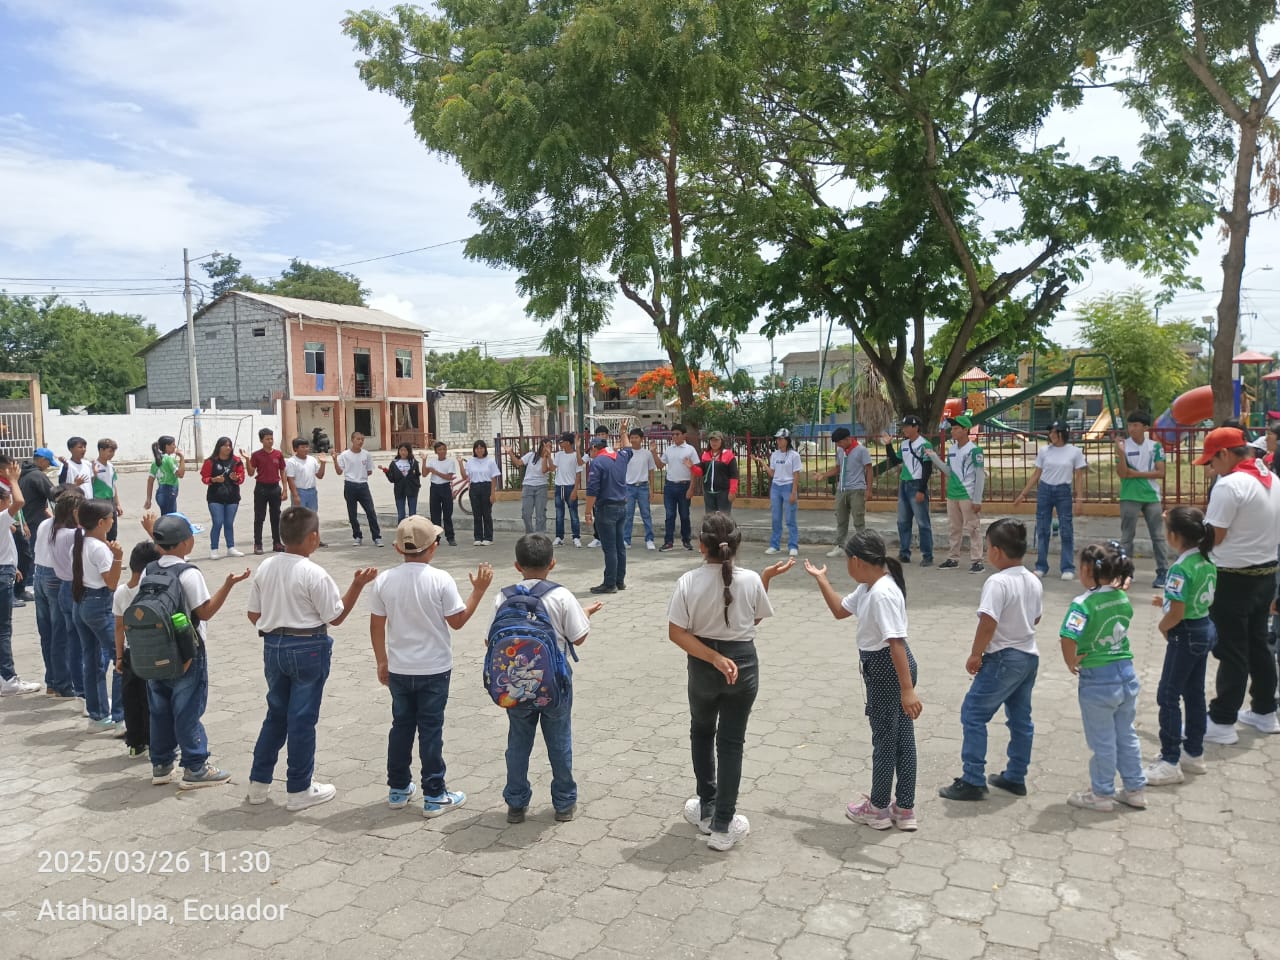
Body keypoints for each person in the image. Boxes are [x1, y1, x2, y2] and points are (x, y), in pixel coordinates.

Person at [669, 514, 792, 851]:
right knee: (732, 742)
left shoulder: (688, 581)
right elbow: (753, 619)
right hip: (743, 665)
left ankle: (707, 807)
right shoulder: (750, 579)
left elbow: (676, 632)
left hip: (703, 666)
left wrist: (712, 657)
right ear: (737, 544)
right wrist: (765, 579)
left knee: (701, 731)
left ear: (701, 546)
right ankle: (723, 824)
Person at [246, 507, 376, 810]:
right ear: (313, 537)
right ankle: (299, 788)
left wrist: (276, 619)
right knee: (302, 719)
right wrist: (357, 585)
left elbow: (253, 614)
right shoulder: (314, 573)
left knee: (276, 715)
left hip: (273, 645)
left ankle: (258, 784)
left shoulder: (266, 566)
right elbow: (335, 616)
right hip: (307, 646)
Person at [369, 516, 493, 817]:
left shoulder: (384, 580)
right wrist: (478, 592)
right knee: (430, 730)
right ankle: (435, 793)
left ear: (398, 548)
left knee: (401, 727)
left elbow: (376, 624)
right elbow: (457, 621)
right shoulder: (440, 579)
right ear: (434, 547)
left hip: (400, 668)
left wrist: (381, 660)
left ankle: (398, 788)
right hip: (434, 669)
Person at [805, 530, 923, 831]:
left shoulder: (882, 593)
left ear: (856, 561)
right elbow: (839, 610)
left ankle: (878, 808)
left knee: (886, 740)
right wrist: (821, 579)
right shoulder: (870, 586)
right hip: (892, 667)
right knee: (902, 738)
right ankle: (904, 808)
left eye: (847, 560)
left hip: (888, 669)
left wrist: (907, 690)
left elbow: (896, 642)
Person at [496, 532, 602, 824]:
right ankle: (564, 804)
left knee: (518, 743)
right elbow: (578, 638)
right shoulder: (561, 595)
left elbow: (490, 641)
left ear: (517, 565)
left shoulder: (504, 596)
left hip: (515, 687)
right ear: (552, 563)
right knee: (559, 741)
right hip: (554, 683)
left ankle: (516, 803)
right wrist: (584, 614)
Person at [937, 518, 1042, 801]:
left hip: (1003, 658)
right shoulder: (1033, 579)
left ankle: (973, 778)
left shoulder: (997, 582)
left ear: (996, 550)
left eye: (987, 547)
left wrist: (976, 653)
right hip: (1028, 656)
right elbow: (1036, 617)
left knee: (973, 713)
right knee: (1020, 719)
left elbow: (987, 622)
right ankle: (1016, 776)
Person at [146, 513, 249, 789]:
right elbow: (204, 612)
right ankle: (195, 767)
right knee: (187, 708)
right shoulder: (189, 573)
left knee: (159, 708)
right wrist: (227, 586)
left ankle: (161, 764)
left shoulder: (150, 569)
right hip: (186, 651)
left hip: (153, 649)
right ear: (185, 543)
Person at [1196, 426, 1280, 742]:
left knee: (1232, 649)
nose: (1211, 468)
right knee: (1259, 644)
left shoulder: (1230, 485)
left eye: (1211, 461)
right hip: (1265, 574)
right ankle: (1264, 711)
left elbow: (1214, 537)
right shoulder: (1272, 480)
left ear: (1225, 453)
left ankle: (1222, 721)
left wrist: (1187, 534)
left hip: (1232, 578)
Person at [1057, 541, 1146, 812]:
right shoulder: (1122, 597)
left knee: (1102, 740)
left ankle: (1101, 793)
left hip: (1098, 681)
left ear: (1087, 570)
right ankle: (1135, 789)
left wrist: (1071, 661)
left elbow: (1068, 636)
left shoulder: (1083, 604)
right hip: (1126, 674)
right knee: (1126, 734)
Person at [1144, 506, 1217, 785]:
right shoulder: (1206, 561)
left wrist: (1164, 626)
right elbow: (1193, 599)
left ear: (1174, 536)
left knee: (1168, 695)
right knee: (1194, 693)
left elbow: (1176, 613)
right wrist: (1166, 602)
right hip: (1204, 628)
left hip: (1185, 633)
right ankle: (1193, 753)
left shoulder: (1179, 569)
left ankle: (1170, 760)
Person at [70, 499, 125, 731]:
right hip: (99, 603)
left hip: (81, 602)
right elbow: (111, 583)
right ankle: (121, 717)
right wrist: (118, 557)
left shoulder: (80, 543)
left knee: (91, 660)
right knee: (121, 658)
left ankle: (97, 715)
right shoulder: (99, 549)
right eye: (111, 518)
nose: (113, 522)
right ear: (102, 522)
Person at [1013, 421, 1087, 580]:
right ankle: (1041, 566)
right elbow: (1036, 474)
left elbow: (1079, 476)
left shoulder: (1074, 452)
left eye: (1055, 432)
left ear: (1063, 433)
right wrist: (1023, 494)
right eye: (1050, 432)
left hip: (1063, 491)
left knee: (1066, 530)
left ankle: (1067, 567)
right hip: (1045, 490)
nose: (1051, 435)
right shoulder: (1044, 451)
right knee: (1042, 529)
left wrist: (1079, 499)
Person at [114, 539, 162, 758]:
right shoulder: (152, 591)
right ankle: (155, 741)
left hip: (130, 652)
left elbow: (119, 627)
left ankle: (135, 743)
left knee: (131, 699)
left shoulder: (121, 592)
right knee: (150, 699)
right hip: (151, 652)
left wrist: (119, 657)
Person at [32, 486, 82, 698]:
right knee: (61, 633)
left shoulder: (47, 524)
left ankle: (52, 680)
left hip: (39, 576)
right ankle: (63, 683)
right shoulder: (70, 533)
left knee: (47, 633)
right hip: (55, 578)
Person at [1116, 412, 1170, 588]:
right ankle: (1125, 573)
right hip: (1129, 495)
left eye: (1136, 425)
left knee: (1158, 536)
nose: (1132, 429)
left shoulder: (1155, 447)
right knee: (1127, 537)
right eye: (1129, 425)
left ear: (1145, 427)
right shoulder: (1123, 445)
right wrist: (1121, 454)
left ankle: (1163, 572)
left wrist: (1136, 474)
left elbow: (1161, 472)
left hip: (1151, 496)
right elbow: (1123, 473)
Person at [0, 466, 41, 696]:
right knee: (3, 630)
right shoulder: (1, 517)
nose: (9, 503)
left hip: (5, 568)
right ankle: (9, 679)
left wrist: (12, 565)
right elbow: (20, 502)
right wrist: (14, 480)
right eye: (5, 499)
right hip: (2, 573)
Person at [927, 415, 986, 573]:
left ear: (965, 430)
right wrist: (934, 458)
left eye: (956, 428)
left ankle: (977, 560)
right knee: (954, 528)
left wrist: (977, 499)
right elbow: (949, 471)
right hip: (952, 494)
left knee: (973, 528)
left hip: (967, 494)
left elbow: (980, 475)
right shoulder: (952, 449)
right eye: (952, 428)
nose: (952, 431)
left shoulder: (975, 450)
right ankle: (953, 558)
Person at [585, 435, 634, 594]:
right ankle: (620, 581)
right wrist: (623, 432)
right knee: (620, 546)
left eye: (590, 450)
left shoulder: (597, 462)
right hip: (622, 506)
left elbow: (592, 490)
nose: (590, 454)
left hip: (606, 508)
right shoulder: (620, 457)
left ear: (594, 448)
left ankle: (610, 583)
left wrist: (587, 511)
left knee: (610, 548)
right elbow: (629, 448)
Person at [882, 415, 934, 567]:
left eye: (906, 426)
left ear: (916, 427)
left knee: (922, 522)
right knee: (903, 521)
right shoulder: (904, 444)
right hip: (904, 484)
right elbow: (896, 460)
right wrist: (888, 445)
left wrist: (921, 489)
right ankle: (904, 553)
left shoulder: (925, 444)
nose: (904, 429)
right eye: (903, 427)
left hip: (917, 483)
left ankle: (927, 555)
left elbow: (927, 468)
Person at [51, 488, 86, 700]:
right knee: (84, 642)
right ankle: (84, 687)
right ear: (74, 512)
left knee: (73, 641)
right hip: (76, 588)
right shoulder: (74, 535)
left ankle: (78, 687)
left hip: (64, 587)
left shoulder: (56, 530)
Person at [823, 427, 872, 558]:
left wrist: (869, 489)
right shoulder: (840, 450)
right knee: (841, 519)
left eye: (840, 442)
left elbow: (869, 469)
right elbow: (838, 468)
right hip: (842, 489)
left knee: (858, 519)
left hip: (857, 489)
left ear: (847, 439)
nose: (838, 445)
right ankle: (840, 545)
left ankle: (863, 547)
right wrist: (823, 475)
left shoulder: (861, 450)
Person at [241, 428, 288, 555]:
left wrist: (285, 489)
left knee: (276, 516)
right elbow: (251, 473)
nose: (270, 441)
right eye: (267, 439)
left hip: (275, 488)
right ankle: (258, 544)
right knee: (259, 517)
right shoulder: (256, 455)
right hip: (261, 488)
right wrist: (247, 460)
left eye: (271, 438)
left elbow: (282, 471)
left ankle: (277, 543)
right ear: (261, 440)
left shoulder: (278, 454)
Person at [334, 431, 383, 547]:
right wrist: (335, 460)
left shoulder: (366, 454)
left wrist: (361, 475)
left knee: (370, 511)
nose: (360, 441)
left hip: (363, 486)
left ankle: (376, 537)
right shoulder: (345, 455)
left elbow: (369, 471)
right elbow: (339, 471)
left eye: (362, 439)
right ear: (352, 440)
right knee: (352, 513)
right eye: (358, 439)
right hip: (350, 485)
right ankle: (357, 536)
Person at [201, 437, 246, 560]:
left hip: (232, 496)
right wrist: (213, 479)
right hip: (215, 497)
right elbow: (204, 478)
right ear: (219, 447)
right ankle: (214, 549)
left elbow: (242, 477)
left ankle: (231, 548)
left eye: (229, 445)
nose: (228, 448)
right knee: (217, 522)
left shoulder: (237, 461)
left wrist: (236, 478)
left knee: (229, 523)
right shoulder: (210, 461)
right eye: (225, 445)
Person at [659, 423, 700, 551]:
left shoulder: (690, 449)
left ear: (684, 435)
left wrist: (691, 488)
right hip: (670, 486)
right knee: (670, 515)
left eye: (677, 434)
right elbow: (660, 465)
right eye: (673, 434)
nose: (674, 437)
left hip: (684, 486)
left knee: (684, 515)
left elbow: (694, 470)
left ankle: (686, 540)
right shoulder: (669, 449)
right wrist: (654, 453)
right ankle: (668, 542)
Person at [764, 428, 803, 557]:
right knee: (776, 518)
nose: (778, 441)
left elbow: (796, 475)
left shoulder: (794, 455)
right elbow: (772, 473)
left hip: (788, 486)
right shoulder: (774, 455)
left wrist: (793, 492)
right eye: (777, 439)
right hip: (776, 487)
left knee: (790, 518)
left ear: (787, 440)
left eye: (781, 439)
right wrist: (763, 463)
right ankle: (774, 545)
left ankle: (793, 545)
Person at [623, 429, 656, 549]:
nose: (633, 440)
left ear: (641, 439)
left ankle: (649, 539)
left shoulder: (647, 454)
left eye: (636, 437)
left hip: (643, 487)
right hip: (629, 487)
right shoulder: (626, 453)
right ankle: (626, 539)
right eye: (631, 437)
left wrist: (651, 489)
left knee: (646, 514)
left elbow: (651, 471)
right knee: (628, 514)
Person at [510, 440, 552, 534]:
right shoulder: (531, 455)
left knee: (540, 513)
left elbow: (544, 470)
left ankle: (540, 535)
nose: (548, 448)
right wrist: (510, 453)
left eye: (550, 446)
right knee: (526, 513)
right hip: (528, 486)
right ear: (541, 446)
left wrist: (546, 457)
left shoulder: (549, 459)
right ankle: (530, 533)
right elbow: (518, 463)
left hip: (541, 487)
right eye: (546, 446)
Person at [464, 440, 501, 545]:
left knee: (486, 513)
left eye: (481, 448)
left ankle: (488, 537)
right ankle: (478, 537)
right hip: (474, 487)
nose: (479, 450)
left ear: (485, 449)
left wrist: (492, 493)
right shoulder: (470, 461)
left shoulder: (490, 461)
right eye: (477, 448)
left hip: (486, 487)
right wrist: (460, 464)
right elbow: (465, 475)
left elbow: (494, 477)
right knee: (476, 514)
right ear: (474, 450)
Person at [551, 433, 584, 548]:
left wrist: (575, 489)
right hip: (559, 486)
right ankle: (559, 537)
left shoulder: (575, 456)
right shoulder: (558, 454)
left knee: (573, 513)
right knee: (559, 514)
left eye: (562, 441)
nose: (560, 443)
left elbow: (578, 473)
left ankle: (576, 537)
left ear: (568, 443)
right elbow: (552, 468)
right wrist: (547, 456)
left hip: (570, 487)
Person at [423, 441, 458, 547]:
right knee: (435, 515)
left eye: (444, 449)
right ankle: (435, 538)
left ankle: (450, 537)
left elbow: (449, 477)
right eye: (439, 450)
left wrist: (436, 472)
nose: (442, 451)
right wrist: (424, 461)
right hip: (434, 488)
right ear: (436, 452)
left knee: (447, 514)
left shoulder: (450, 462)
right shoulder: (432, 462)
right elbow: (424, 474)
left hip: (445, 487)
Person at [285, 437, 327, 520]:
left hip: (312, 492)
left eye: (307, 447)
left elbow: (320, 476)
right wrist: (295, 495)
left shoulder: (312, 460)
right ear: (295, 449)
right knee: (299, 517)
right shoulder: (292, 462)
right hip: (299, 492)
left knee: (312, 516)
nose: (305, 449)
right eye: (302, 447)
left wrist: (323, 464)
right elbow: (290, 479)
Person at [90, 439, 123, 542]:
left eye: (113, 451)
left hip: (110, 501)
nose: (112, 454)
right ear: (101, 450)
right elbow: (88, 484)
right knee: (99, 530)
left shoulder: (111, 466)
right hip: (98, 502)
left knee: (112, 532)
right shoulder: (92, 466)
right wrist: (93, 475)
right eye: (110, 451)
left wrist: (117, 504)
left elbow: (113, 485)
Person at [382, 442, 423, 523]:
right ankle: (401, 529)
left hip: (412, 490)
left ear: (409, 451)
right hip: (399, 491)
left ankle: (412, 529)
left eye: (405, 450)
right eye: (401, 450)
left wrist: (416, 486)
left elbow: (417, 476)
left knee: (413, 514)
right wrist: (386, 471)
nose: (403, 452)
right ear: (398, 451)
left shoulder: (413, 462)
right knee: (401, 514)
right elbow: (392, 479)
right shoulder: (394, 463)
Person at [699, 431, 738, 516]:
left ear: (721, 441)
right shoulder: (706, 454)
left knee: (724, 518)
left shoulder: (728, 455)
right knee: (710, 518)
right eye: (712, 440)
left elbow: (734, 475)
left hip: (723, 492)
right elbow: (701, 472)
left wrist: (732, 491)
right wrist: (692, 466)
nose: (714, 443)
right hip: (708, 493)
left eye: (716, 440)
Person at [144, 435, 184, 516]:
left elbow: (150, 481)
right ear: (167, 446)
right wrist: (182, 458)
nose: (175, 446)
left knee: (165, 516)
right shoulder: (169, 459)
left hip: (160, 492)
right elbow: (180, 474)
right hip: (169, 492)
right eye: (173, 444)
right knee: (170, 518)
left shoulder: (155, 461)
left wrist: (148, 499)